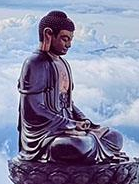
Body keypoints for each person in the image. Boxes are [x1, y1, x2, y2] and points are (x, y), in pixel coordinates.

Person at [17, 10, 125, 164]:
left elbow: (68, 103)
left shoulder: (63, 63)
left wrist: (83, 120)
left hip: (68, 127)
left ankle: (91, 148)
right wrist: (71, 125)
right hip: (45, 136)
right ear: (48, 35)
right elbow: (34, 109)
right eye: (64, 39)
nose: (69, 44)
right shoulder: (35, 63)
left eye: (70, 39)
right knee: (76, 146)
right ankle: (89, 151)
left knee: (114, 137)